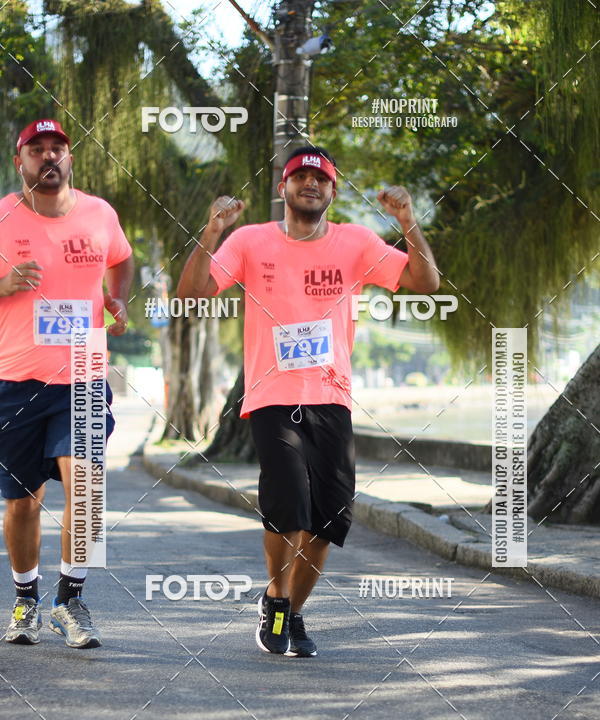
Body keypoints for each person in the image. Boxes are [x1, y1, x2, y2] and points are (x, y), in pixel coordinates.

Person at [178, 145, 439, 657]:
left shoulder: (357, 243)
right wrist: (212, 230)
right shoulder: (251, 241)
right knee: (288, 507)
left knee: (327, 521)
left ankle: (292, 612)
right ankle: (276, 601)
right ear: (284, 189)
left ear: (333, 191)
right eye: (300, 177)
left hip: (333, 399)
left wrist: (408, 221)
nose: (311, 184)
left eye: (321, 179)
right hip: (272, 396)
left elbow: (425, 282)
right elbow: (194, 291)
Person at [0, 119, 134, 648]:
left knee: (86, 487)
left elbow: (121, 261)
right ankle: (26, 599)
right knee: (22, 502)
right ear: (20, 161)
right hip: (12, 380)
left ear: (70, 157)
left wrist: (117, 299)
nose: (48, 156)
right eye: (37, 150)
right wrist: (4, 283)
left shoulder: (99, 213)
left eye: (58, 148)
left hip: (82, 374)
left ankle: (70, 599)